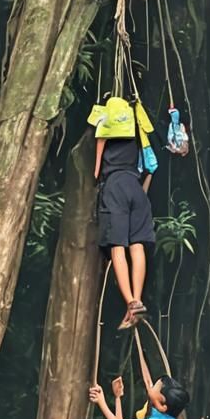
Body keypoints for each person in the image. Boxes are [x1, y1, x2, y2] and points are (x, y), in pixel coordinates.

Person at [95, 116, 155, 331]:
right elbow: (149, 165)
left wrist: (96, 174)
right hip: (136, 187)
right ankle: (137, 299)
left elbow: (97, 164)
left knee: (117, 248)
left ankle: (130, 302)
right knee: (137, 245)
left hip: (115, 187)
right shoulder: (137, 129)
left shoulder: (106, 128)